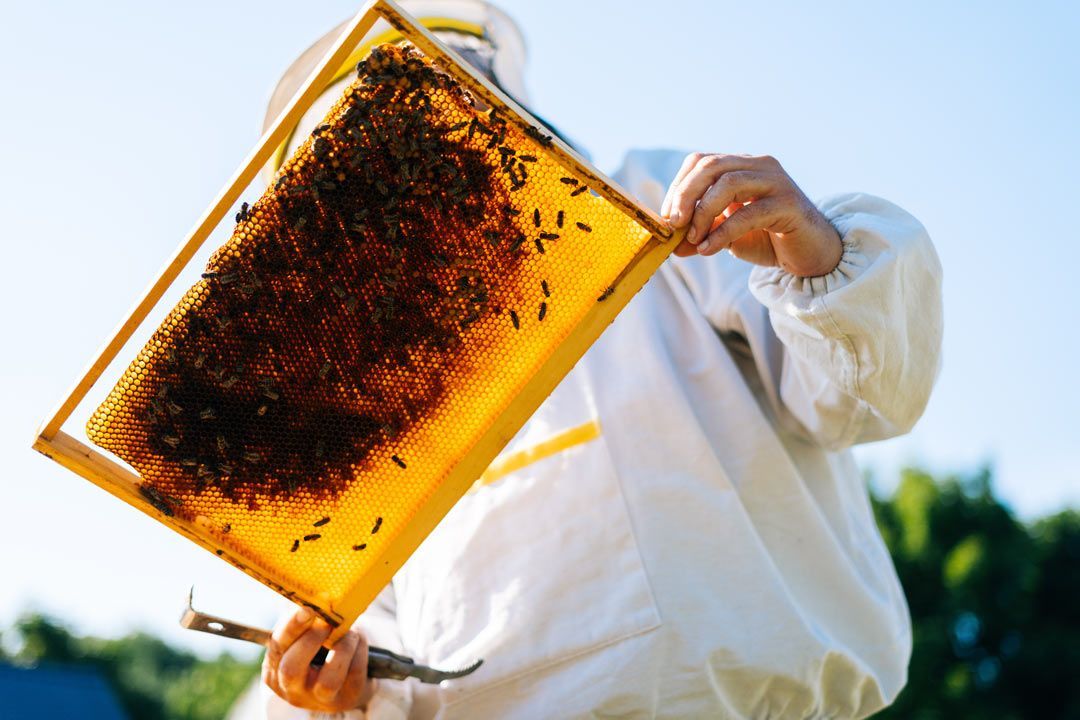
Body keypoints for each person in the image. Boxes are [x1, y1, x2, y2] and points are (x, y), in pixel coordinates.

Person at [237, 1, 944, 717]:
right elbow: (370, 655)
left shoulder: (652, 210)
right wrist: (329, 687)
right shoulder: (360, 412)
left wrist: (812, 251)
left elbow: (858, 395)